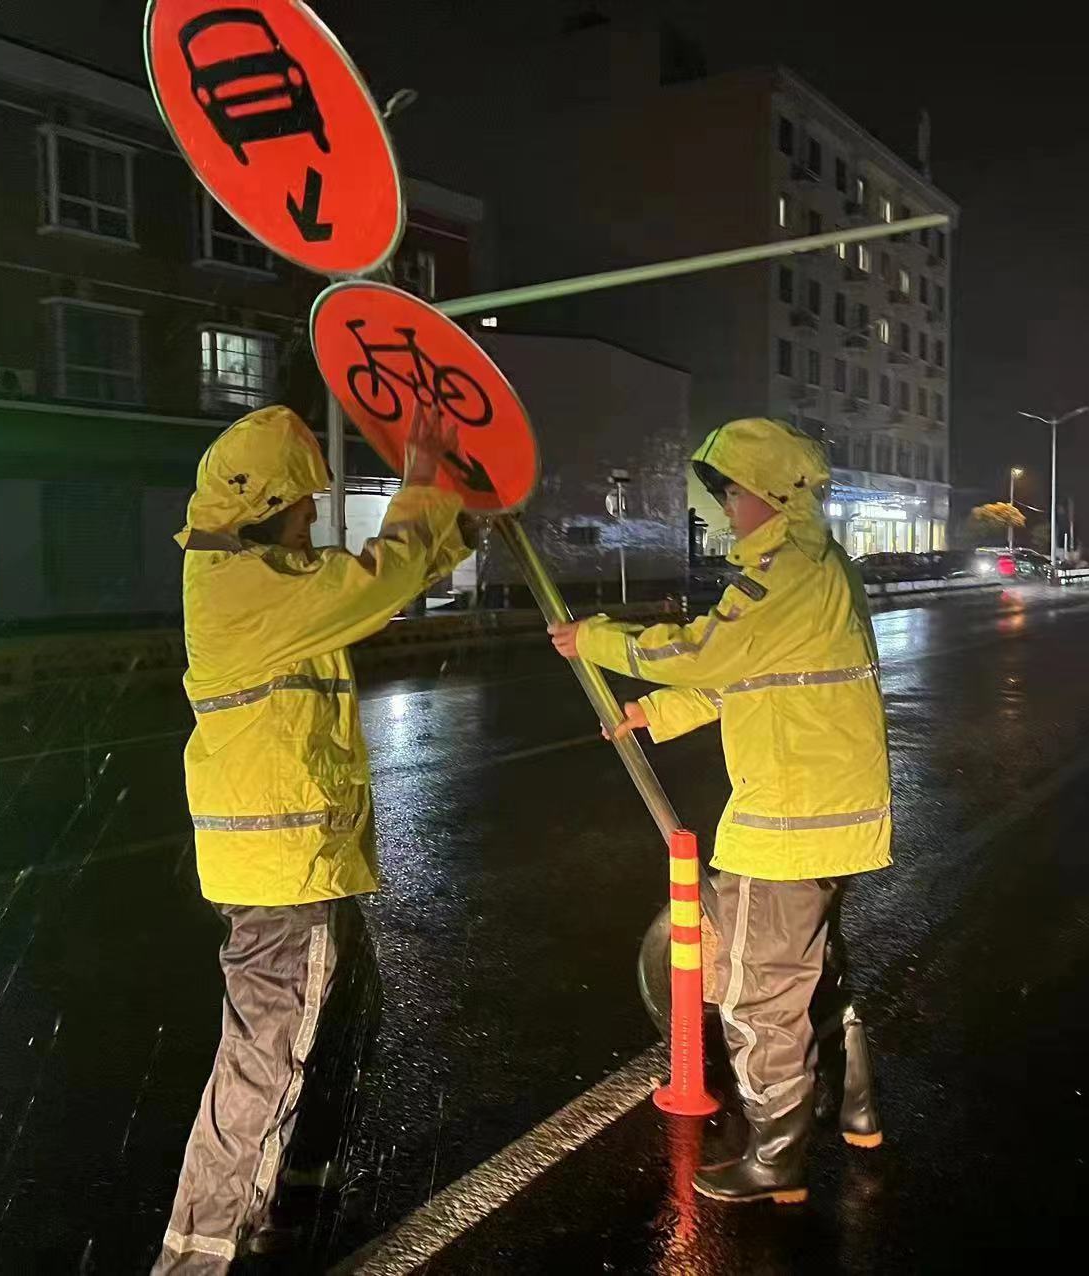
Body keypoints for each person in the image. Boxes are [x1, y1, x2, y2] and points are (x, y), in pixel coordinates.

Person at [155, 403, 472, 1273]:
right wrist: (423, 482)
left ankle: (294, 1199)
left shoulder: (265, 576)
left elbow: (382, 581)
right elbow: (374, 581)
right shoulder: (248, 589)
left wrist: (458, 513)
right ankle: (200, 1257)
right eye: (304, 505)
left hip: (297, 866)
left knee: (340, 1021)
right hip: (284, 873)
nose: (312, 520)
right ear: (268, 506)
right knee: (267, 1060)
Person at [550, 417, 890, 1205]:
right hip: (827, 814)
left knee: (758, 991)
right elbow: (746, 676)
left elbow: (705, 652)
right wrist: (655, 714)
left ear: (770, 494)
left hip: (787, 820)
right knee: (811, 969)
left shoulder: (783, 571)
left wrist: (597, 639)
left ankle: (776, 1156)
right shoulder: (817, 567)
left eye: (734, 492)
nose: (726, 508)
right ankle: (853, 1106)